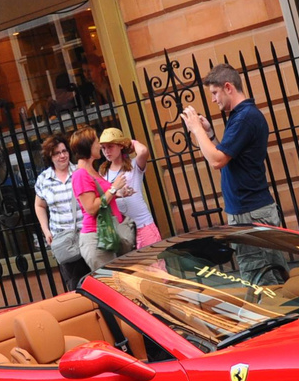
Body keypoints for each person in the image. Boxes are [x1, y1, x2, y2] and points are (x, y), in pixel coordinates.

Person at [180, 63, 280, 227]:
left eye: (214, 93)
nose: (213, 99)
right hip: (248, 211)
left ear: (227, 87)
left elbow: (217, 161)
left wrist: (197, 129)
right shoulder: (241, 116)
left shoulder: (244, 118)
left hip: (250, 212)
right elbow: (226, 158)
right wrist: (210, 134)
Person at [69, 125, 133, 272]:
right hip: (97, 239)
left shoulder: (91, 171)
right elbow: (91, 208)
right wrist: (113, 188)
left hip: (108, 235)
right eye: (96, 142)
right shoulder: (81, 174)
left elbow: (101, 196)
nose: (99, 145)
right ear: (88, 146)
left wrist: (118, 193)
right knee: (114, 283)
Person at [33, 133, 90, 291]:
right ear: (50, 156)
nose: (62, 155)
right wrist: (46, 230)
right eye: (57, 153)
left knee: (95, 277)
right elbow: (39, 206)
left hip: (86, 233)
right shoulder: (44, 179)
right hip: (63, 239)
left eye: (64, 151)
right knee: (74, 283)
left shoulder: (80, 171)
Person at [98, 126, 160, 249]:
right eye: (103, 148)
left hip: (142, 224)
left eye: (110, 146)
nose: (107, 151)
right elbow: (103, 198)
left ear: (120, 146)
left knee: (155, 265)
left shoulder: (133, 165)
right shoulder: (103, 172)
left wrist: (130, 143)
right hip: (122, 229)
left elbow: (143, 151)